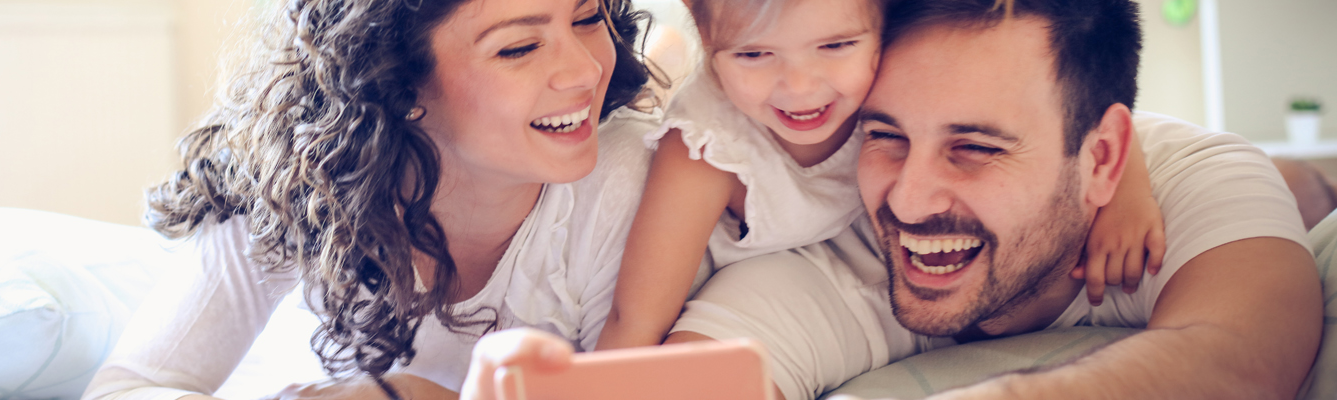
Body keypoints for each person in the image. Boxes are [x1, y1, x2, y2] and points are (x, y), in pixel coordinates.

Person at [468, 0, 1323, 398]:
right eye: (881, 134)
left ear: (1104, 156)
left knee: (1300, 188)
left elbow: (1247, 353)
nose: (908, 199)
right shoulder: (832, 252)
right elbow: (697, 375)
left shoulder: (1187, 177)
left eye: (976, 147)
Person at [81, 0, 661, 398]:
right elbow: (125, 386)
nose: (586, 69)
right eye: (519, 48)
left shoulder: (627, 183)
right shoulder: (296, 186)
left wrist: (416, 396)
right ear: (397, 79)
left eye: (588, 17)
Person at [595, 0, 1166, 351]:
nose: (801, 87)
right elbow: (635, 317)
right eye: (752, 55)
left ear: (880, 18)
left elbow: (1093, 113)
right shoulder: (706, 149)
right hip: (708, 289)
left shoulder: (892, 55)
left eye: (836, 45)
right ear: (701, 28)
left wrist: (1124, 193)